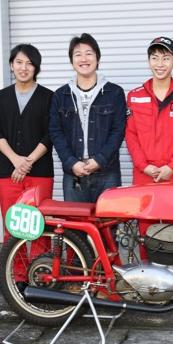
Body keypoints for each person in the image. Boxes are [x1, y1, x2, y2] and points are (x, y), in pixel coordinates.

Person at [125, 36, 173, 260]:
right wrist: (143, 166)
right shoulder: (135, 96)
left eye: (165, 58)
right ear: (148, 61)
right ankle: (147, 280)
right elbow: (131, 135)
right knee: (145, 233)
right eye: (155, 57)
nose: (160, 63)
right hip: (144, 175)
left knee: (172, 232)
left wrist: (172, 166)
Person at [49, 33, 126, 241]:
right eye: (78, 54)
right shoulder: (61, 95)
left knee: (108, 231)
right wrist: (71, 162)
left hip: (107, 174)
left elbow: (118, 131)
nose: (84, 59)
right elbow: (56, 133)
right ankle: (78, 273)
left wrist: (99, 160)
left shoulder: (115, 93)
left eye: (89, 53)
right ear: (72, 61)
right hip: (74, 175)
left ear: (98, 58)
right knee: (75, 232)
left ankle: (106, 274)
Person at [0, 44, 54, 241]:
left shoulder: (49, 97)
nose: (23, 68)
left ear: (36, 68)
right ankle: (14, 272)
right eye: (19, 62)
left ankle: (38, 271)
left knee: (39, 228)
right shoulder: (0, 98)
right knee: (12, 228)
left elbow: (51, 133)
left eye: (29, 63)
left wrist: (27, 162)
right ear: (11, 65)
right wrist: (15, 159)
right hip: (8, 172)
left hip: (39, 172)